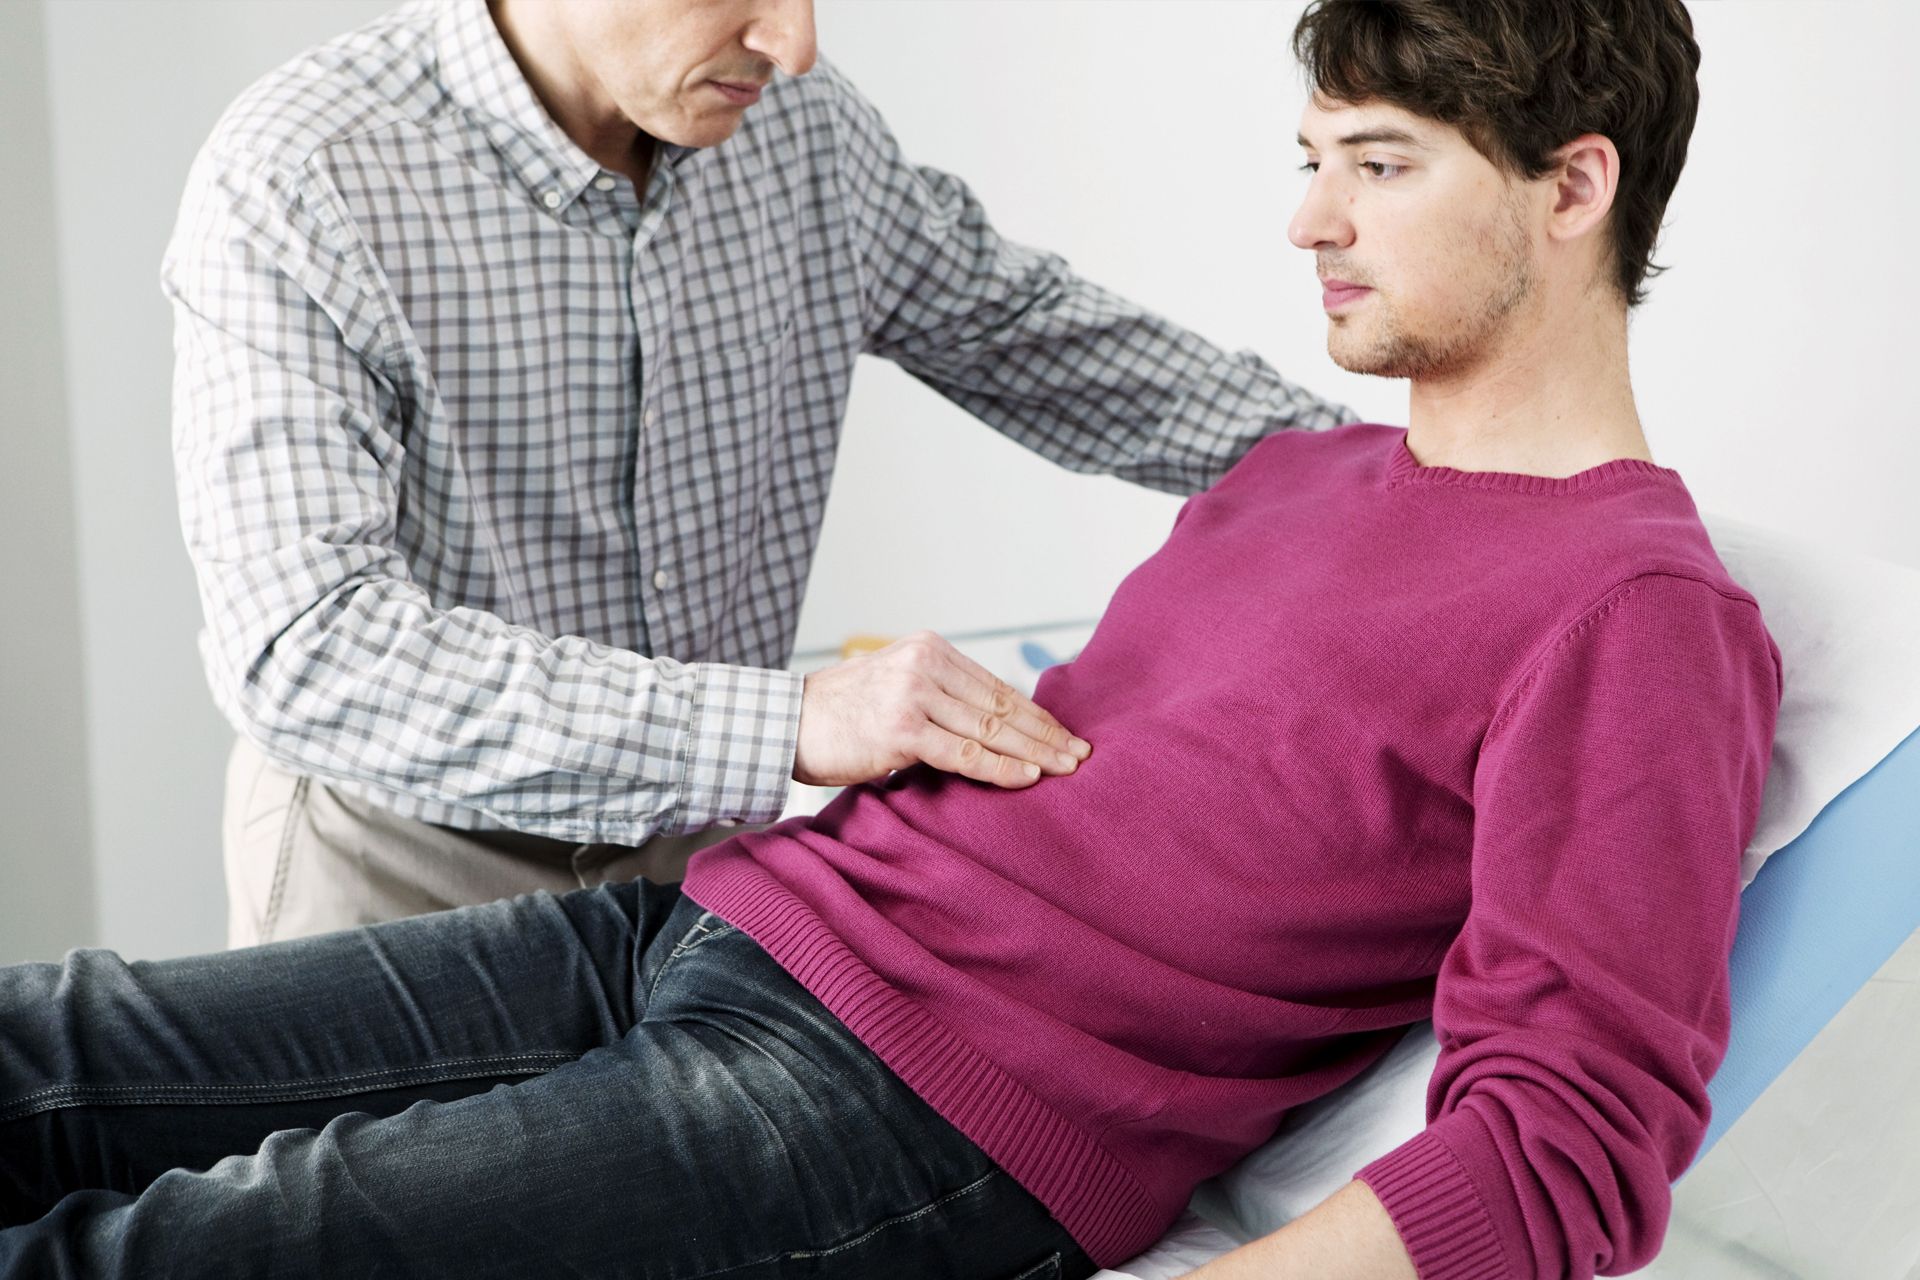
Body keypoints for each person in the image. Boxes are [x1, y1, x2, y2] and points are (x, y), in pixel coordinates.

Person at [10, 0, 1778, 1276]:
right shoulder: (1304, 476)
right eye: (1313, 162)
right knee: (49, 1047)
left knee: (167, 1254)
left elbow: (1568, 1140)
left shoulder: (1637, 612)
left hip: (898, 1101)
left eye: (1373, 166)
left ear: (1571, 191)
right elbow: (310, 644)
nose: (1303, 221)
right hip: (682, 909)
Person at [162, 0, 1350, 947]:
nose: (796, 42)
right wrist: (787, 720)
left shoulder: (804, 130)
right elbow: (308, 650)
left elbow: (1038, 341)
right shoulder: (304, 176)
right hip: (402, 871)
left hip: (698, 857)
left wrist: (1405, 479)